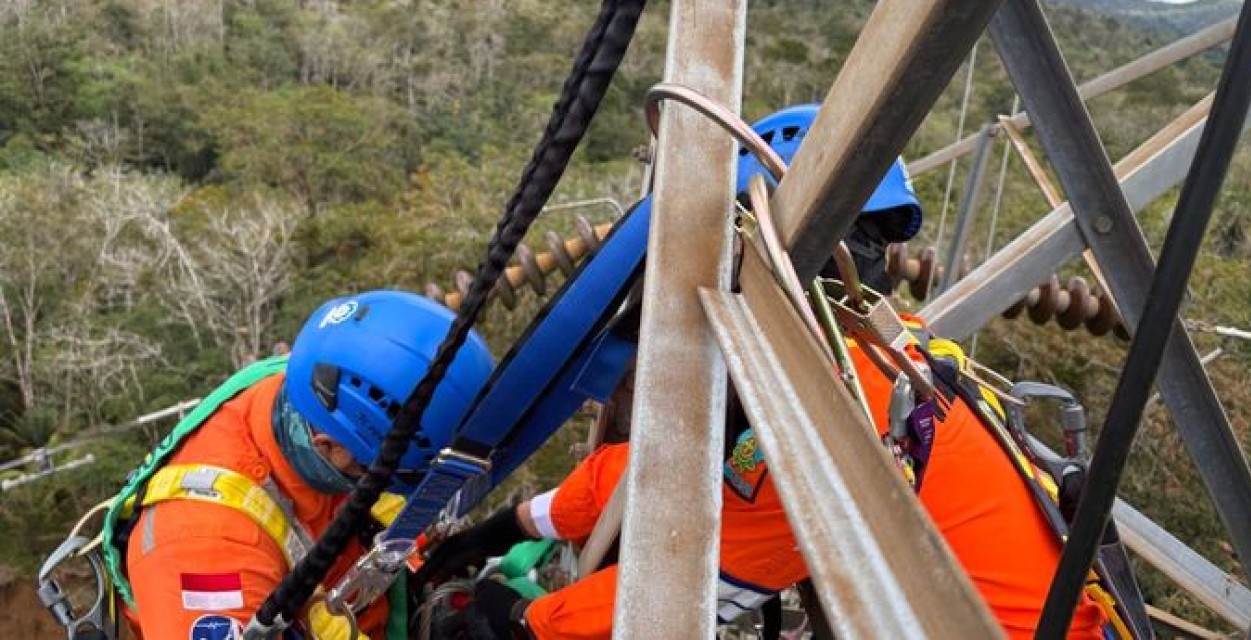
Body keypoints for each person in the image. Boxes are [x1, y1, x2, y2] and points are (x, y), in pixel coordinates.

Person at [418, 104, 1109, 640]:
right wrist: (508, 526)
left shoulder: (827, 413)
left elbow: (689, 592)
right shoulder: (876, 355)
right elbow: (656, 471)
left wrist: (522, 623)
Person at [116, 289, 495, 639]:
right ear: (327, 445)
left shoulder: (313, 383)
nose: (394, 487)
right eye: (394, 477)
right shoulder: (208, 553)